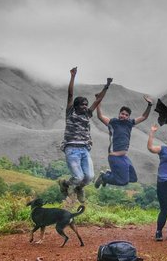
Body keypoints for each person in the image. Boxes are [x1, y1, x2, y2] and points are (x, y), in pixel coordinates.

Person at [58, 67, 112, 203]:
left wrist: (107, 86)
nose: (85, 107)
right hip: (71, 149)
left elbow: (98, 101)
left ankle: (79, 189)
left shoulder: (88, 114)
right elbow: (70, 94)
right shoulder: (71, 112)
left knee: (88, 177)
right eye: (82, 105)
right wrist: (72, 76)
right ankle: (65, 184)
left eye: (86, 105)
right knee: (78, 176)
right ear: (76, 105)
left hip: (84, 149)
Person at [94, 96, 153, 188]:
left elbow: (144, 117)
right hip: (115, 156)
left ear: (128, 117)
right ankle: (104, 177)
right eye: (122, 114)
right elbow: (100, 116)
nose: (124, 116)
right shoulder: (113, 123)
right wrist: (99, 101)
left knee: (133, 178)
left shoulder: (129, 124)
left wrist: (149, 105)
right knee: (123, 182)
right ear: (119, 114)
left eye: (126, 115)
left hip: (123, 157)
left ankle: (109, 174)